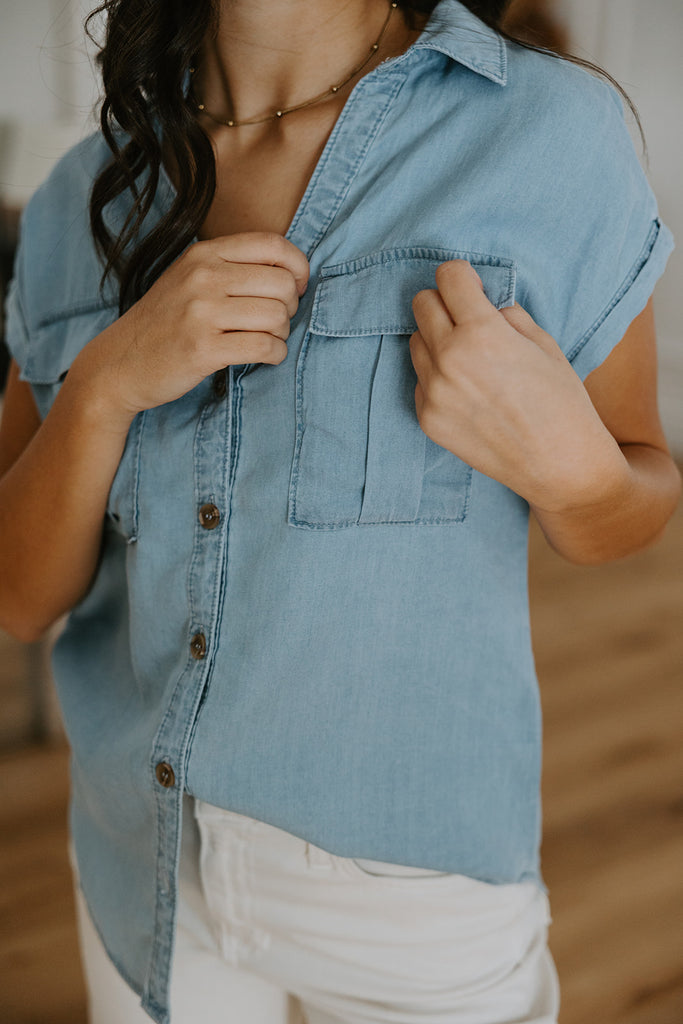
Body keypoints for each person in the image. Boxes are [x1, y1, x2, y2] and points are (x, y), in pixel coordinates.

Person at [0, 0, 679, 1021]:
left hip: (411, 893)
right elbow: (19, 593)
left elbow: (631, 506)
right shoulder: (75, 200)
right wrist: (104, 385)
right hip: (141, 863)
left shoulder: (545, 131)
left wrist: (572, 471)